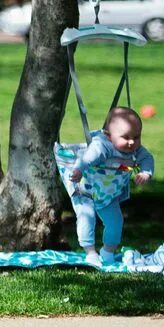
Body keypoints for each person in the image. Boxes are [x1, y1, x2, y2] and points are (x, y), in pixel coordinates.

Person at [62, 106, 155, 267]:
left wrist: (146, 173)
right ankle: (90, 252)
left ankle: (108, 251)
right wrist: (79, 170)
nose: (132, 142)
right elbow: (88, 158)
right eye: (126, 137)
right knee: (86, 217)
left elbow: (147, 158)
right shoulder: (102, 145)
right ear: (108, 135)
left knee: (115, 221)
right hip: (86, 191)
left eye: (137, 137)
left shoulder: (135, 149)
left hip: (108, 195)